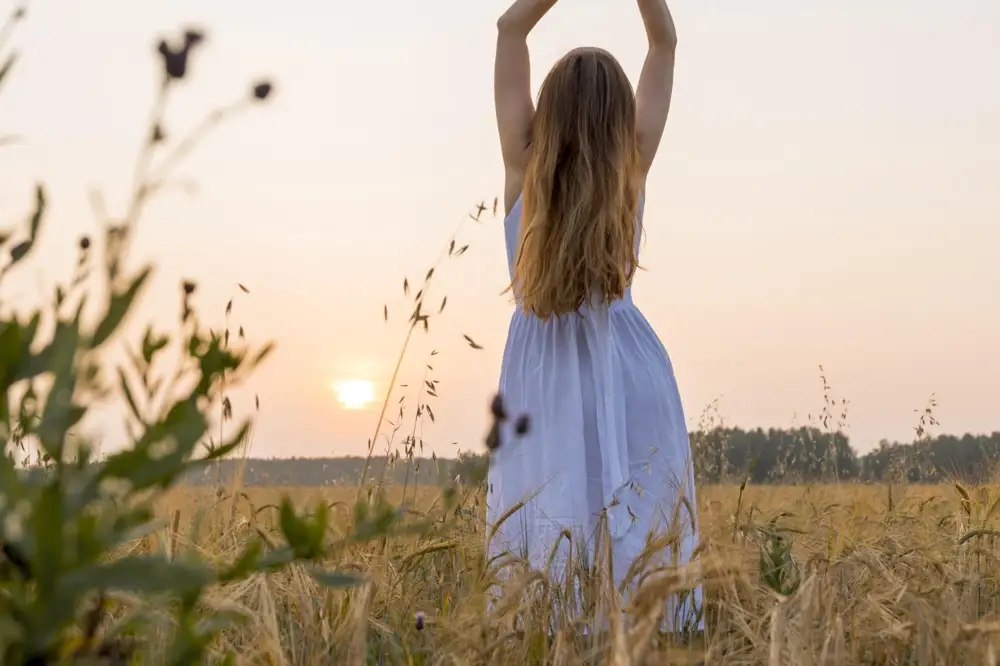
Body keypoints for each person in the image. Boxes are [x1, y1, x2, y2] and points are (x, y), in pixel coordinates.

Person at [486, 0, 701, 629]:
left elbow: (509, 29)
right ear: (620, 120)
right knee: (643, 529)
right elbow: (664, 43)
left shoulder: (523, 167)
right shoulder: (630, 166)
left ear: (545, 111)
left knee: (544, 529)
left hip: (539, 379)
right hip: (628, 367)